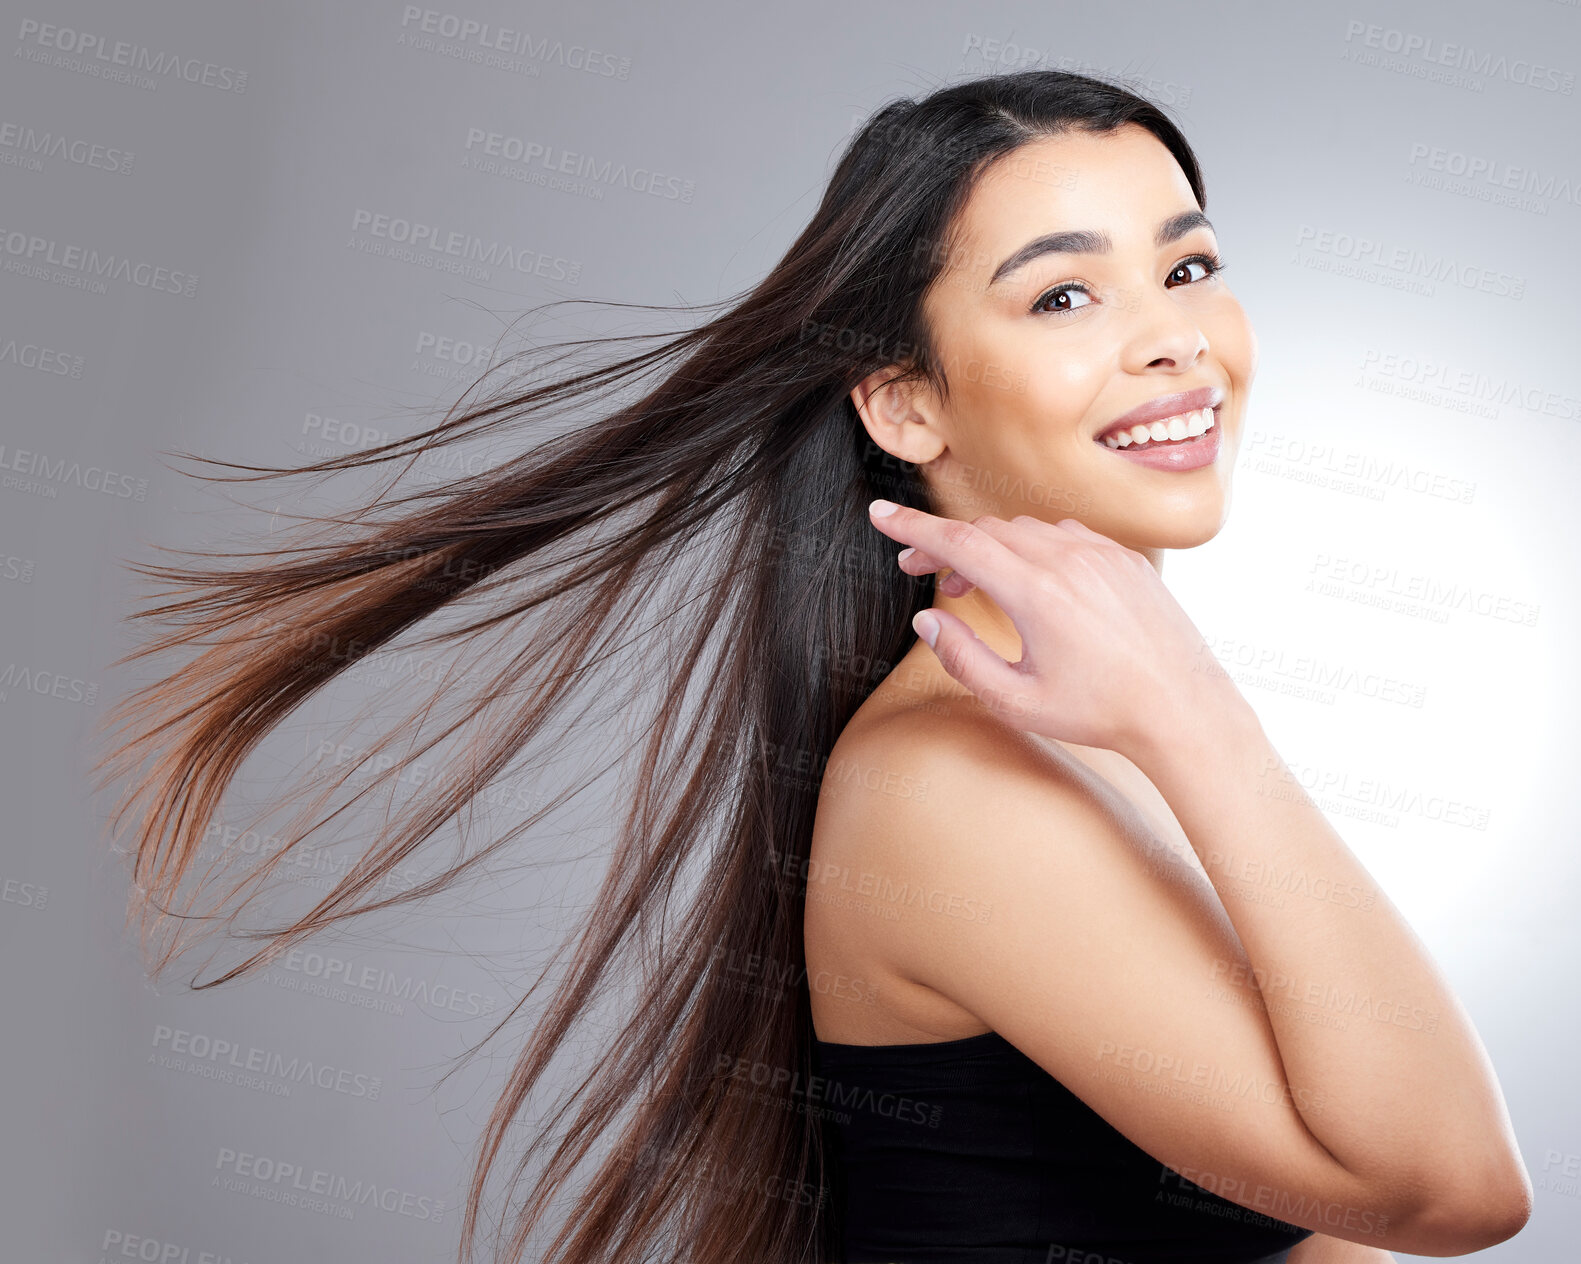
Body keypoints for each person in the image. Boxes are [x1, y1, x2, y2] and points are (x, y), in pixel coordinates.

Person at [99, 70, 1531, 1264]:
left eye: (1188, 266)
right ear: (905, 401)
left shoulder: (1072, 722)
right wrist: (1202, 725)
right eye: (1060, 299)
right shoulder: (960, 781)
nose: (1173, 340)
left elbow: (1310, 1222)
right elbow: (1448, 1192)